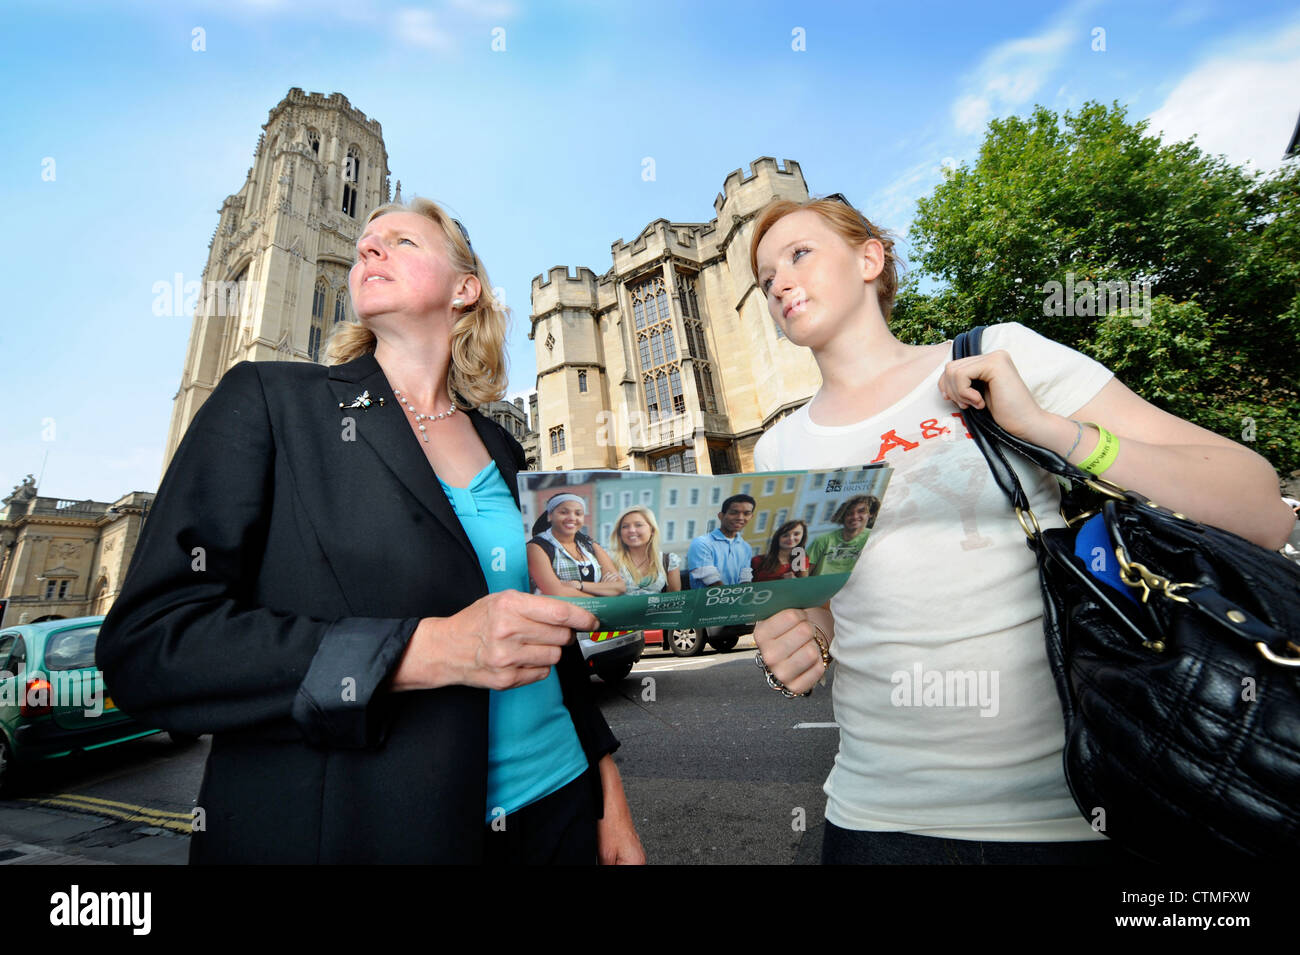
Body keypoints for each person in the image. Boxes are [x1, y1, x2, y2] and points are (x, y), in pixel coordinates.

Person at [748, 194, 1295, 865]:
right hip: (877, 818)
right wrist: (797, 644)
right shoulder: (779, 449)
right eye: (764, 276)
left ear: (869, 257)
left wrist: (1047, 429)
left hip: (1072, 810)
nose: (778, 282)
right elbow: (818, 615)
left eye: (799, 253)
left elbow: (1259, 504)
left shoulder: (997, 354)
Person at [97, 197, 644, 865]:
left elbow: (542, 631)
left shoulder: (503, 446)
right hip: (381, 832)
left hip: (559, 803)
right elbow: (150, 647)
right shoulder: (271, 402)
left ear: (465, 289)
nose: (368, 249)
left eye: (402, 241)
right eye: (364, 243)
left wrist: (606, 789)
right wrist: (423, 650)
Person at [527, 495, 628, 598]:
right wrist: (601, 593)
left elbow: (619, 587)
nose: (572, 518)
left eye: (578, 513)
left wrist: (578, 585)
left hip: (598, 612)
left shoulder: (590, 545)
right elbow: (556, 592)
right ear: (549, 516)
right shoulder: (536, 547)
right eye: (564, 512)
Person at [607, 506, 682, 595]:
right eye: (625, 526)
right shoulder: (609, 559)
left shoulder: (668, 560)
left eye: (638, 525)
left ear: (652, 530)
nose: (631, 530)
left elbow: (674, 598)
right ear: (619, 533)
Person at [685, 494, 756, 588]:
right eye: (734, 512)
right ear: (721, 516)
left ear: (751, 517)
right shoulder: (701, 543)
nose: (740, 518)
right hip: (707, 601)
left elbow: (746, 580)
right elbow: (712, 582)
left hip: (736, 600)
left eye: (746, 513)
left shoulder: (746, 547)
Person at [805, 496, 879, 576]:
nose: (854, 517)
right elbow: (804, 572)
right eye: (849, 513)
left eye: (861, 512)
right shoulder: (824, 540)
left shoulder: (874, 538)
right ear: (843, 517)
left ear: (870, 514)